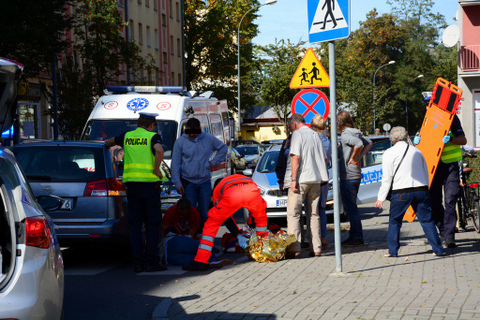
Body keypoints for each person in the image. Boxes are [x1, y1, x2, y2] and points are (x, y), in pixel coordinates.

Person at [105, 112, 166, 273]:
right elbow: (159, 151)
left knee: (135, 225)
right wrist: (156, 169)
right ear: (152, 125)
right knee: (153, 224)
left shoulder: (126, 136)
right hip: (149, 186)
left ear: (139, 123)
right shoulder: (153, 137)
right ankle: (152, 261)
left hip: (132, 187)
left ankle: (138, 262)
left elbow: (108, 142)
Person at [375, 127, 444, 257]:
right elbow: (425, 172)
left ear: (392, 140)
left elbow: (387, 178)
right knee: (427, 221)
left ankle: (393, 251)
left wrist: (381, 198)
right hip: (421, 190)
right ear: (406, 136)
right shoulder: (416, 151)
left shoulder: (389, 153)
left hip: (401, 192)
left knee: (395, 221)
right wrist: (425, 188)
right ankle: (438, 249)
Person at [183, 174, 268, 271]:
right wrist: (250, 225)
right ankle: (263, 250)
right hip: (252, 191)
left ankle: (201, 261)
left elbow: (224, 217)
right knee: (261, 219)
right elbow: (254, 213)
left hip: (233, 195)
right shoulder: (239, 177)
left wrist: (238, 235)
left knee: (211, 225)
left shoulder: (217, 190)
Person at [414, 114, 467, 248]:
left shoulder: (452, 118)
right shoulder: (426, 118)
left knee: (450, 199)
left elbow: (463, 140)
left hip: (450, 166)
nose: (427, 108)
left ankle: (449, 236)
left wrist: (452, 139)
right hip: (432, 166)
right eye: (426, 105)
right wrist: (415, 142)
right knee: (434, 201)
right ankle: (443, 231)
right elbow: (421, 140)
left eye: (428, 104)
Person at [171, 118, 228, 227]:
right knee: (189, 213)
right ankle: (190, 238)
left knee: (204, 214)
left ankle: (203, 238)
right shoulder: (180, 142)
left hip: (204, 182)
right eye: (189, 132)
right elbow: (175, 164)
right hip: (188, 182)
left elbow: (223, 148)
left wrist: (213, 162)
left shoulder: (208, 138)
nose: (192, 134)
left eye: (195, 132)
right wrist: (178, 183)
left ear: (200, 129)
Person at [287, 113, 329, 257]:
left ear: (294, 124)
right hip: (316, 180)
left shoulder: (297, 134)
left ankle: (295, 248)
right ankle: (316, 248)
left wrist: (293, 179)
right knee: (314, 215)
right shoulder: (315, 135)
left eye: (290, 127)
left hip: (301, 180)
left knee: (294, 214)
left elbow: (296, 157)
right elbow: (324, 158)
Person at [160, 199, 230, 268]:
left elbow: (192, 233)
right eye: (180, 213)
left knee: (193, 259)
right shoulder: (171, 212)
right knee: (204, 251)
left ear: (188, 211)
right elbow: (163, 231)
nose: (181, 216)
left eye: (183, 214)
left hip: (167, 257)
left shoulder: (193, 213)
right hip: (172, 242)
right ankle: (211, 259)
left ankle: (209, 262)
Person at [337, 110, 372, 246]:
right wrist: (359, 156)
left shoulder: (346, 135)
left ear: (339, 123)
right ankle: (354, 235)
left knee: (351, 208)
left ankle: (357, 236)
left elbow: (359, 144)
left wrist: (353, 157)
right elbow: (369, 143)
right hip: (355, 174)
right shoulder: (356, 131)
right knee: (352, 207)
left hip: (348, 175)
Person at [311, 115, 331, 250]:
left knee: (312, 211)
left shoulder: (311, 140)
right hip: (324, 178)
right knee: (322, 209)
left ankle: (314, 239)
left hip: (312, 178)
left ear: (312, 126)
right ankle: (323, 237)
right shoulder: (328, 142)